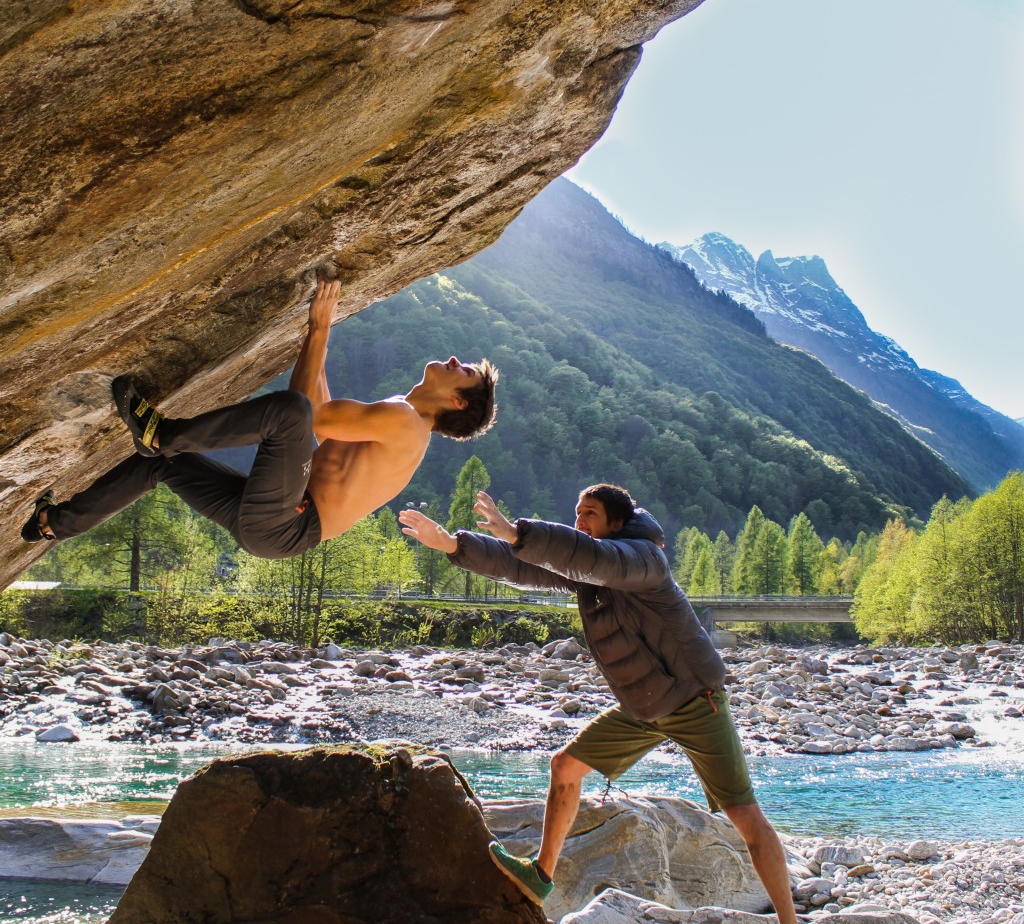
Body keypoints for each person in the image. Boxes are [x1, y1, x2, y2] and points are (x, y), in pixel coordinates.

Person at [398, 484, 797, 923]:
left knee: (745, 815)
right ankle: (540, 875)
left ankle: (788, 919)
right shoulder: (587, 567)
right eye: (577, 512)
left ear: (618, 523)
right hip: (644, 707)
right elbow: (524, 566)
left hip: (694, 699)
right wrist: (455, 544)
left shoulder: (644, 559)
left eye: (589, 513)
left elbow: (595, 559)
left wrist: (519, 532)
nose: (580, 521)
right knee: (565, 766)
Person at [21, 273, 498, 560]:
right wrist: (316, 337)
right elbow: (324, 411)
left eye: (464, 374)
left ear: (457, 402)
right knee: (159, 466)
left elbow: (309, 417)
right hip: (280, 524)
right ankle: (54, 524)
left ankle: (161, 432)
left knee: (282, 414)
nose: (455, 361)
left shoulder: (406, 421)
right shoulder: (406, 419)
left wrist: (320, 328)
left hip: (289, 520)